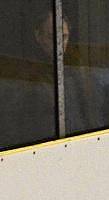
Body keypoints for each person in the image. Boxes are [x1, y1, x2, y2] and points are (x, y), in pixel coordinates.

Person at [0, 9, 96, 149]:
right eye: (52, 37)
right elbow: (11, 129)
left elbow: (88, 118)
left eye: (64, 37)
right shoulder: (22, 77)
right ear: (38, 36)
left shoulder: (75, 75)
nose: (59, 44)